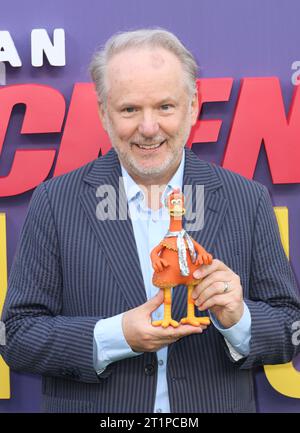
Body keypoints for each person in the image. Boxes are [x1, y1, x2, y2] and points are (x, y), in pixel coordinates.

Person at [1, 28, 300, 413]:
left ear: (193, 107)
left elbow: (289, 331)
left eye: (165, 107)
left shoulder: (248, 200)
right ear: (103, 112)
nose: (148, 128)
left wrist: (237, 318)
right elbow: (19, 337)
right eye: (129, 109)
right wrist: (117, 336)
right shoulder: (54, 202)